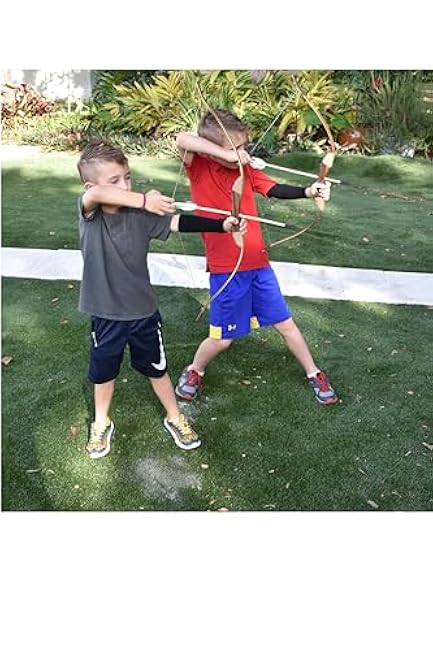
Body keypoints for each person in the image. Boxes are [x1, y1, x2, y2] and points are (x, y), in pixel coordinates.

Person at [77, 140, 245, 459]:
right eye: (115, 180)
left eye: (127, 177)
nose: (125, 185)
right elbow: (97, 194)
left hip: (143, 312)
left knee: (157, 369)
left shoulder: (140, 214)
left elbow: (177, 222)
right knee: (104, 373)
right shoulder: (90, 212)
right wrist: (145, 199)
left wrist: (222, 225)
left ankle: (174, 416)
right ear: (91, 185)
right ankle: (101, 422)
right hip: (106, 314)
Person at [174, 109, 338, 406]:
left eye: (243, 146)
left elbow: (274, 189)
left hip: (258, 265)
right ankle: (195, 370)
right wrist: (226, 155)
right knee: (222, 339)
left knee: (285, 324)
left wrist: (309, 190)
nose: (243, 152)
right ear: (213, 149)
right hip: (226, 269)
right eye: (235, 147)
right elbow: (182, 139)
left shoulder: (246, 170)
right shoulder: (198, 167)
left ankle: (314, 372)